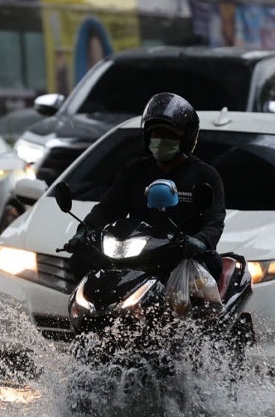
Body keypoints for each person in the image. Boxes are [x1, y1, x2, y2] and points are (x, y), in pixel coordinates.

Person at [65, 92, 226, 291]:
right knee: (81, 261)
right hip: (137, 252)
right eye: (155, 134)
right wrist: (84, 232)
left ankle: (198, 323)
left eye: (167, 135)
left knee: (210, 271)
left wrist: (200, 242)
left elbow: (214, 221)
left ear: (185, 138)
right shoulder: (135, 171)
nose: (159, 140)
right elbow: (107, 209)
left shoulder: (205, 175)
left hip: (181, 253)